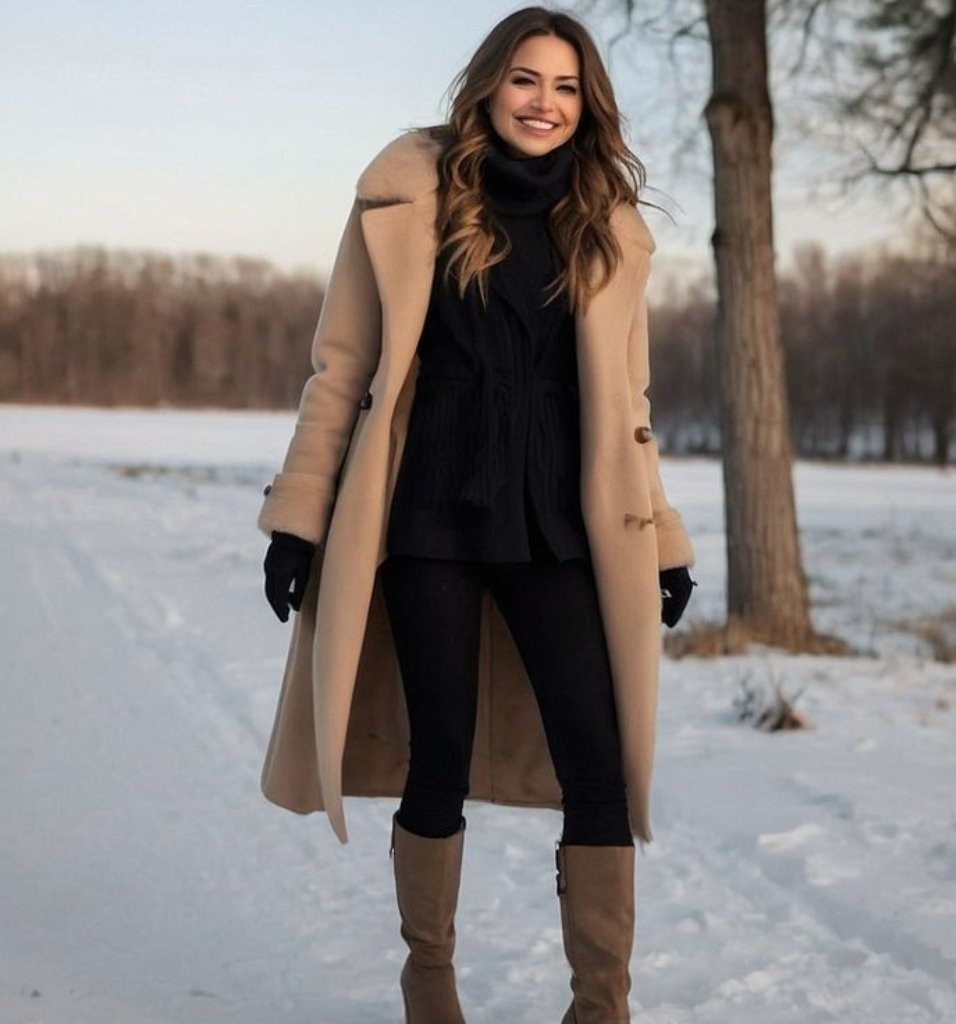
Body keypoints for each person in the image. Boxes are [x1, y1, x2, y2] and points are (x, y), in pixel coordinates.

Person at [258, 7, 695, 1022]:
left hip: (559, 523)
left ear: (587, 106)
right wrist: (299, 517)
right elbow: (343, 372)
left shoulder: (608, 228)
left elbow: (628, 409)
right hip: (426, 518)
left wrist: (661, 537)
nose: (544, 103)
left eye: (565, 87)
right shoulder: (407, 200)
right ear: (489, 87)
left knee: (600, 760)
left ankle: (600, 1006)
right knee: (437, 751)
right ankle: (432, 987)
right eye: (526, 81)